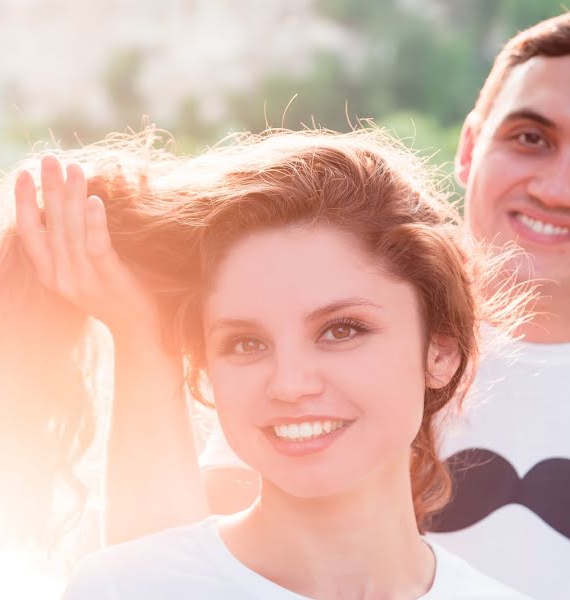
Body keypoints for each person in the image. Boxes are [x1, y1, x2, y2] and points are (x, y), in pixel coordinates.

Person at [0, 126, 531, 597]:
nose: (291, 384)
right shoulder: (125, 589)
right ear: (204, 372)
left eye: (342, 330)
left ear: (440, 353)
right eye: (246, 343)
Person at [190, 12, 570, 598]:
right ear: (470, 148)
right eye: (529, 138)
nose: (556, 189)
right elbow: (184, 572)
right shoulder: (323, 358)